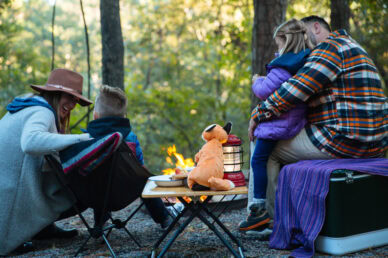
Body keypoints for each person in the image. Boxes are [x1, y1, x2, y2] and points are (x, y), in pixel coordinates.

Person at [248, 15, 388, 223]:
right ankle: (293, 214)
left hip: (344, 141)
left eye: (304, 34)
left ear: (316, 28)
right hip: (376, 143)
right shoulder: (354, 48)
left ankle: (265, 221)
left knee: (265, 148)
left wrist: (258, 114)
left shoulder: (329, 48)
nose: (303, 41)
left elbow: (295, 90)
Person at [0, 68, 93, 255]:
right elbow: (30, 142)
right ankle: (34, 230)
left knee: (57, 177)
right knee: (84, 191)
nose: (73, 105)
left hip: (9, 185)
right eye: (70, 97)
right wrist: (80, 139)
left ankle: (42, 228)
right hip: (7, 194)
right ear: (55, 93)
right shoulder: (42, 111)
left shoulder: (28, 105)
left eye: (76, 100)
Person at [239, 19, 314, 235]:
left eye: (278, 43)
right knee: (264, 159)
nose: (276, 48)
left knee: (258, 159)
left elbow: (264, 91)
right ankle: (265, 211)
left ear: (286, 41)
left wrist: (256, 80)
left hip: (278, 125)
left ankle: (259, 206)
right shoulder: (301, 61)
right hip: (292, 123)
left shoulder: (284, 67)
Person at [84, 85, 175, 229]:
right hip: (127, 192)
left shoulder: (88, 139)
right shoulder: (130, 138)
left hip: (97, 196)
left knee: (98, 180)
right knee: (144, 179)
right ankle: (164, 218)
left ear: (95, 116)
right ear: (123, 117)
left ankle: (100, 223)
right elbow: (141, 168)